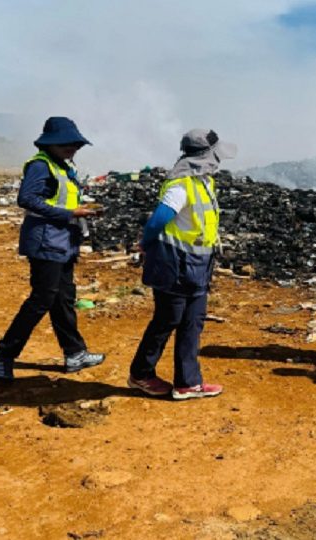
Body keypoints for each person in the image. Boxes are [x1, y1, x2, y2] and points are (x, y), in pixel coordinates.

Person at [0, 117, 105, 381]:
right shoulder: (41, 166)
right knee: (42, 298)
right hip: (46, 241)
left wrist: (79, 211)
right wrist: (70, 213)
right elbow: (27, 199)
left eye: (75, 144)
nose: (71, 148)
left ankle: (75, 353)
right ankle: (3, 354)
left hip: (63, 241)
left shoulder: (62, 166)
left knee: (63, 298)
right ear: (50, 144)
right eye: (65, 144)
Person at [127, 129, 235, 400]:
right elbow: (157, 220)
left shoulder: (204, 182)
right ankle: (141, 374)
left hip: (198, 265)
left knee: (192, 321)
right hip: (174, 265)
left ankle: (188, 382)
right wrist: (144, 244)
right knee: (167, 319)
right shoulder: (181, 185)